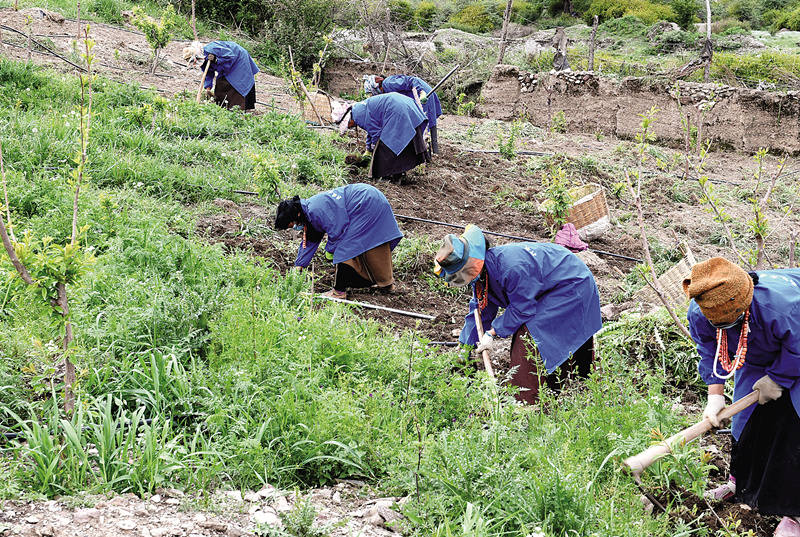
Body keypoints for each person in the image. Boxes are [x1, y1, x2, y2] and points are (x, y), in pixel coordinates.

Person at [684, 257, 800, 536]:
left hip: (796, 346)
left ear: (743, 305)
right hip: (755, 349)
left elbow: (797, 349)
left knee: (795, 425)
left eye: (729, 321)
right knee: (744, 420)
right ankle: (740, 483)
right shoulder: (703, 308)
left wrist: (777, 379)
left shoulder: (782, 308)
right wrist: (715, 396)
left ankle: (794, 513)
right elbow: (708, 350)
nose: (722, 326)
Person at [433, 225, 603, 404]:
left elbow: (523, 309)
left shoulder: (510, 268)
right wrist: (465, 349)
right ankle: (551, 390)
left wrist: (492, 333)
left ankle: (524, 402)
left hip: (571, 285)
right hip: (551, 287)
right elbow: (480, 311)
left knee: (529, 337)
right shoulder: (484, 275)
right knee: (533, 334)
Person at [274, 184, 403, 299]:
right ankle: (387, 284)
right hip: (370, 199)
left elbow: (339, 231)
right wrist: (298, 267)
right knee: (373, 245)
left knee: (344, 249)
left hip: (366, 203)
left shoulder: (316, 210)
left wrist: (331, 250)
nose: (295, 228)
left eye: (292, 225)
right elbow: (310, 241)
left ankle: (339, 292)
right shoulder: (308, 212)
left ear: (296, 216)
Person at [331, 94, 430, 184]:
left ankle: (389, 175)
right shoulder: (358, 108)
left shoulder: (357, 115)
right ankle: (399, 173)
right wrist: (368, 149)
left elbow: (376, 134)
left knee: (387, 145)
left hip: (397, 110)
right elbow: (371, 129)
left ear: (348, 119)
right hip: (404, 105)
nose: (349, 127)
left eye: (347, 125)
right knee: (399, 140)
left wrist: (374, 151)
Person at [363, 74, 442, 153]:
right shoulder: (385, 95)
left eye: (371, 93)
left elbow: (412, 80)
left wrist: (421, 92)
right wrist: (368, 147)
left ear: (376, 88)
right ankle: (429, 152)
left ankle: (424, 154)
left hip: (421, 92)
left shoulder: (388, 83)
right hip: (413, 97)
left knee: (421, 124)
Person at [183, 41, 259, 111]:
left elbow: (230, 56)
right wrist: (208, 88)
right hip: (227, 65)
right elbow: (208, 73)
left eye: (192, 61)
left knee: (235, 83)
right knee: (220, 85)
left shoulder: (212, 49)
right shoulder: (202, 59)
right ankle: (223, 108)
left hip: (238, 58)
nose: (193, 64)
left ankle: (237, 109)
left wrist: (216, 59)